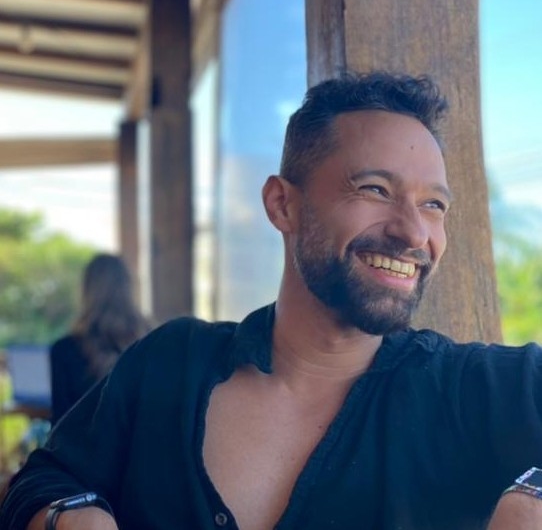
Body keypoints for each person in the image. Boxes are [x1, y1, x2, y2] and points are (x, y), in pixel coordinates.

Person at [1, 72, 541, 530]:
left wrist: (530, 497)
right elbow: (45, 476)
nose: (414, 232)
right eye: (375, 189)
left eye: (433, 205)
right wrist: (72, 515)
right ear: (282, 204)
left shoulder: (475, 390)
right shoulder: (170, 364)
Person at [49, 253, 150, 425]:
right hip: (149, 443)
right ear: (130, 288)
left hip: (86, 443)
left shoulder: (64, 350)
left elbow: (60, 426)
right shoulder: (154, 342)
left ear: (86, 291)